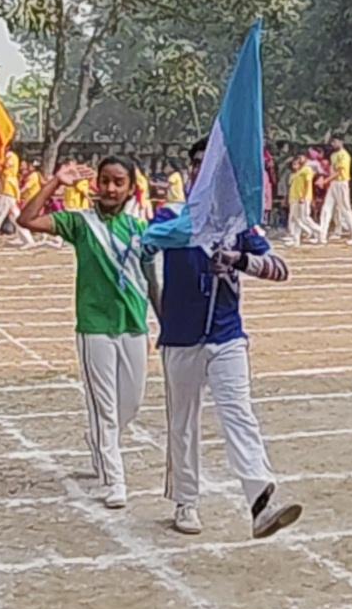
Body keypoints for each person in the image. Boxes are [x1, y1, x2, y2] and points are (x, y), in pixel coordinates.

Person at [150, 138, 303, 539]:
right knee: (183, 422)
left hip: (227, 334)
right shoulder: (171, 215)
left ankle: (260, 500)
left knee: (238, 411)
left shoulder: (238, 224)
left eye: (214, 165)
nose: (206, 172)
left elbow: (280, 268)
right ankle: (185, 499)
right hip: (181, 335)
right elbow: (152, 243)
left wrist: (239, 260)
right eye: (199, 164)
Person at [18, 158, 159, 509]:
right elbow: (27, 219)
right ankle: (114, 479)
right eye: (105, 181)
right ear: (95, 184)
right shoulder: (81, 223)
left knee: (131, 404)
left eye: (118, 182)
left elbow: (152, 280)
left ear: (130, 188)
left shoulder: (141, 229)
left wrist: (165, 321)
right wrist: (56, 183)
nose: (110, 189)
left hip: (133, 326)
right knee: (105, 409)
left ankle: (98, 440)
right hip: (95, 327)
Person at [314, 137, 352, 245]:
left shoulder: (344, 155)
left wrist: (325, 181)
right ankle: (322, 235)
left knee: (345, 209)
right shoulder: (333, 155)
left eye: (335, 141)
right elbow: (332, 171)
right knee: (326, 208)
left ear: (341, 142)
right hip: (333, 183)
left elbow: (339, 172)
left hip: (341, 183)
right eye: (332, 142)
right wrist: (325, 179)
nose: (333, 144)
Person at [284, 155, 321, 248]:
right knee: (295, 218)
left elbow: (308, 185)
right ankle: (296, 239)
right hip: (294, 198)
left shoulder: (307, 170)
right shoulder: (295, 173)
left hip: (303, 197)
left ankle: (318, 230)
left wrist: (304, 197)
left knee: (305, 217)